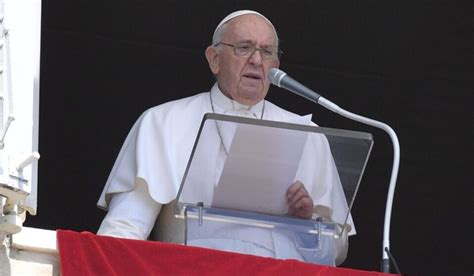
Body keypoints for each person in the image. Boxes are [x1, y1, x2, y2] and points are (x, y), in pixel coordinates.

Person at [97, 10, 354, 265]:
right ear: (214, 59)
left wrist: (305, 224)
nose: (256, 60)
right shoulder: (164, 122)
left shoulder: (309, 135)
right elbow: (126, 226)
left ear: (275, 67)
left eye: (267, 52)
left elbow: (336, 253)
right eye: (244, 47)